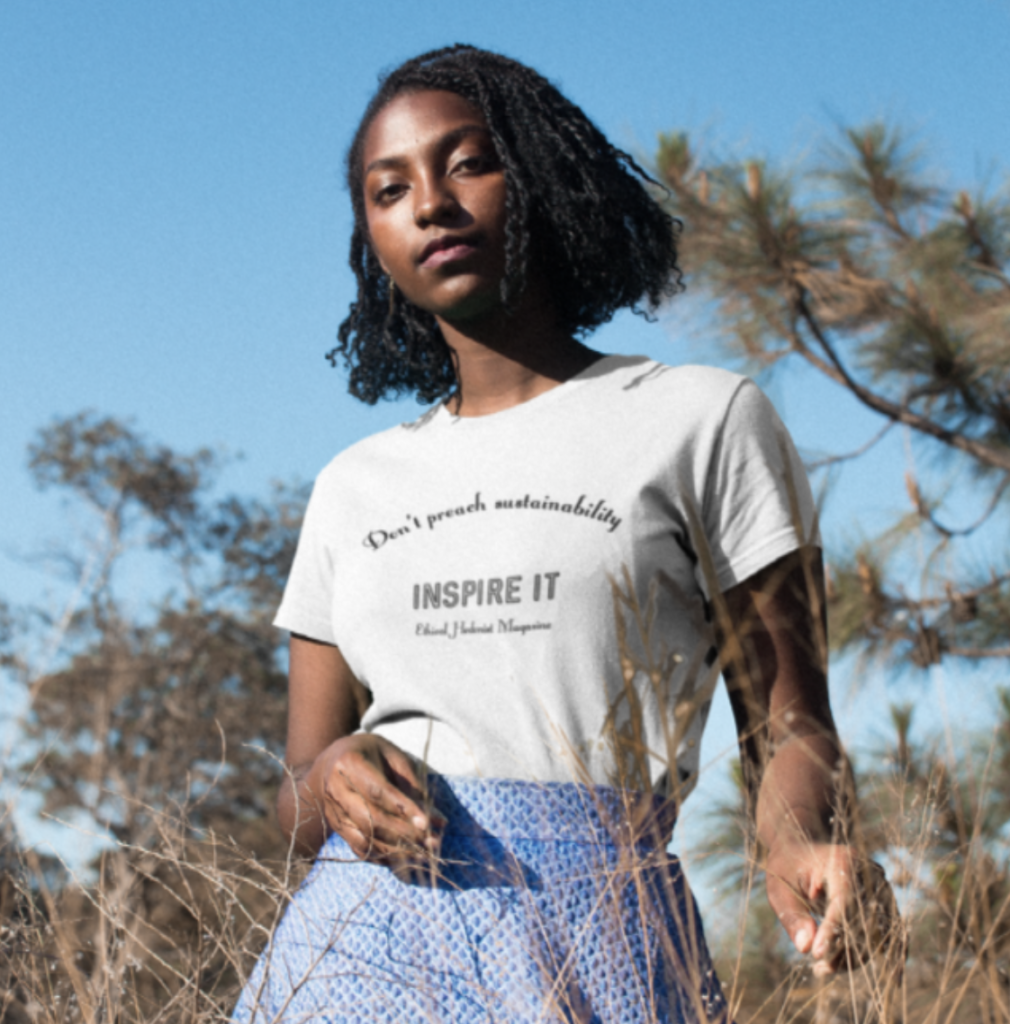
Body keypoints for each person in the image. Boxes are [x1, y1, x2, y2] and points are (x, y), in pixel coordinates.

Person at [232, 44, 896, 1024]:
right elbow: (295, 791)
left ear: (540, 174)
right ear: (369, 233)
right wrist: (332, 778)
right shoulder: (352, 487)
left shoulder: (700, 420)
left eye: (466, 162)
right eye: (388, 189)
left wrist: (799, 840)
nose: (430, 203)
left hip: (600, 926)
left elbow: (788, 721)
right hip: (354, 940)